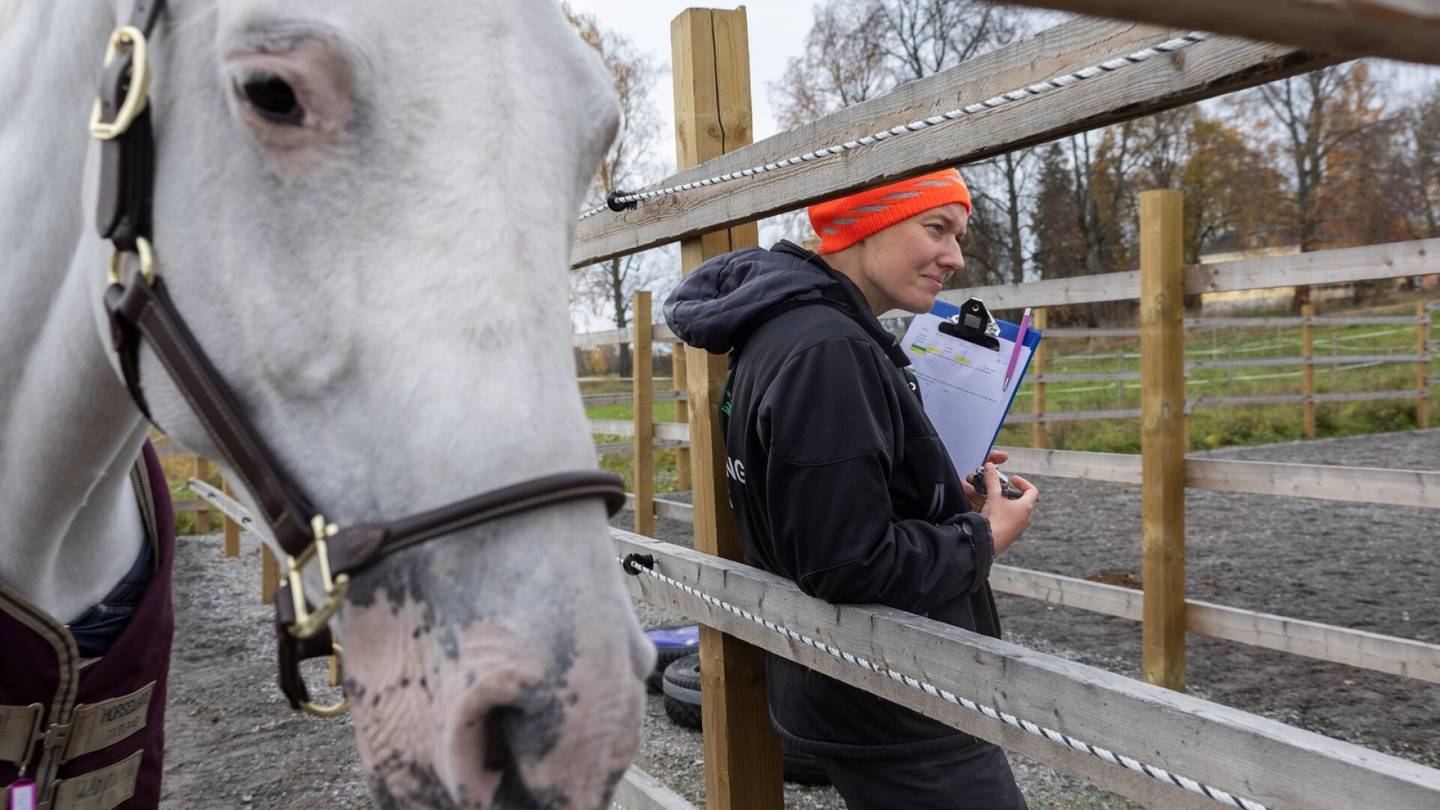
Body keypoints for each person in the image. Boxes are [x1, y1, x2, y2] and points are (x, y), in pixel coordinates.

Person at [664, 168, 1039, 809]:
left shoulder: (789, 330)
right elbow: (847, 561)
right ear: (866, 225)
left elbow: (818, 500)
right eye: (936, 228)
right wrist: (983, 536)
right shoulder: (828, 349)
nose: (955, 255)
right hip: (898, 700)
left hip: (857, 684)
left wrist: (937, 490)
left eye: (958, 233)